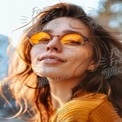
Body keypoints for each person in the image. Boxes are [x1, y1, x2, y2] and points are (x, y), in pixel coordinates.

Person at [0, 2, 122, 122]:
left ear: (94, 61)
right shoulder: (79, 109)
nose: (52, 45)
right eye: (43, 38)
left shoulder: (80, 112)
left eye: (72, 40)